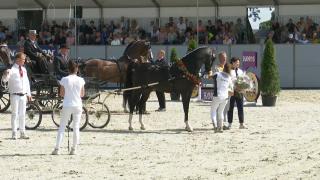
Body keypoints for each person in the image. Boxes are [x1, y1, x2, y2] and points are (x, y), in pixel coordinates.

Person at [52, 60, 85, 155]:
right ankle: (74, 149)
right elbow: (82, 94)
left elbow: (61, 94)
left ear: (68, 69)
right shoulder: (81, 80)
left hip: (67, 104)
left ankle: (57, 149)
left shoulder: (64, 79)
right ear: (77, 69)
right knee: (76, 127)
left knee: (62, 127)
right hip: (78, 104)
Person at [1, 52, 32, 139]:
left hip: (23, 95)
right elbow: (4, 81)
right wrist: (5, 75)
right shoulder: (11, 70)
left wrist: (29, 93)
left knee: (22, 114)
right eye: (23, 59)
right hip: (14, 95)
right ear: (18, 59)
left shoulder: (24, 69)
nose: (24, 61)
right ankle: (14, 132)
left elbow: (26, 82)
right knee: (14, 114)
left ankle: (22, 132)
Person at [210, 63, 233, 133]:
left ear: (223, 68)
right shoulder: (229, 78)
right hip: (225, 97)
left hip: (217, 95)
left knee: (213, 111)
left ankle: (215, 126)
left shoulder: (217, 74)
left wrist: (210, 71)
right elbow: (231, 89)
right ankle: (220, 127)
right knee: (221, 112)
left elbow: (209, 76)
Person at [227, 57, 246, 129]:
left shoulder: (241, 71)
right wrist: (233, 86)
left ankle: (241, 124)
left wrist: (243, 87)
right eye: (236, 62)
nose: (238, 64)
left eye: (238, 62)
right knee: (230, 108)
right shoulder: (229, 71)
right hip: (232, 91)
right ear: (232, 63)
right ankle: (229, 124)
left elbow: (243, 80)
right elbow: (228, 81)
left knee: (240, 107)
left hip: (239, 91)